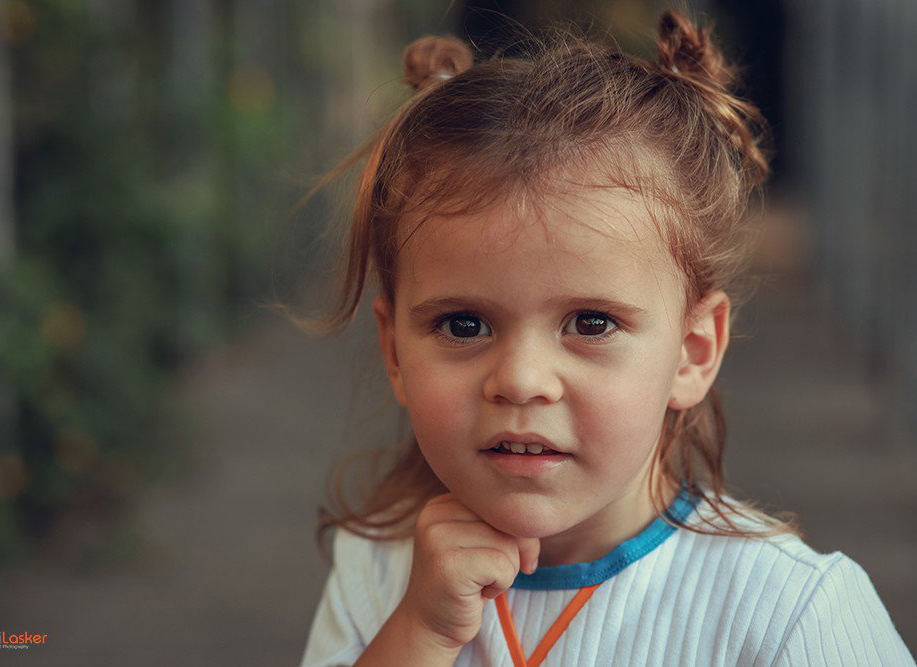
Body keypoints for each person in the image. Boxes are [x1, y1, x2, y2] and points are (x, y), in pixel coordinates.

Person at [298, 10, 914, 666]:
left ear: (693, 350)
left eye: (591, 323)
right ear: (395, 351)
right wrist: (420, 632)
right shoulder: (379, 571)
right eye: (464, 324)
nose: (521, 380)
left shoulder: (790, 613)